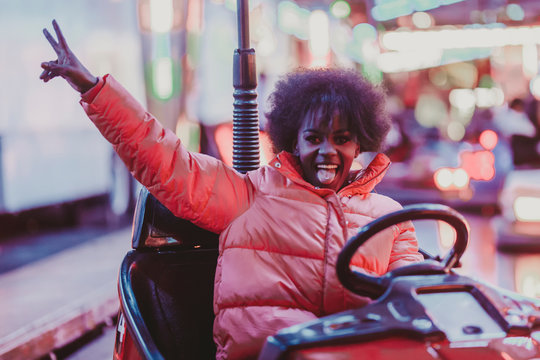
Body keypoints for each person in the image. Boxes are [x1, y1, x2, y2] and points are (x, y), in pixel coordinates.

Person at [40, 20, 422, 359]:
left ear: (358, 145)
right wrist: (92, 88)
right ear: (293, 142)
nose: (327, 151)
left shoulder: (391, 219)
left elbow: (418, 294)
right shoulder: (249, 197)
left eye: (341, 138)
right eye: (313, 137)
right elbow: (164, 162)